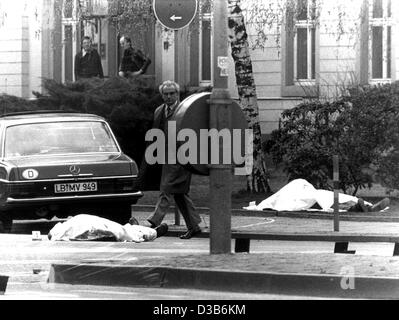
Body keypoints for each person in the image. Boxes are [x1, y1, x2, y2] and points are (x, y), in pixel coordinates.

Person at [134, 80, 202, 239]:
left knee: (166, 189)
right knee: (179, 193)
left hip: (182, 158)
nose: (169, 96)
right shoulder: (159, 110)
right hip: (165, 158)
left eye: (172, 93)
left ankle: (152, 222)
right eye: (166, 94)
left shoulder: (184, 110)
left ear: (178, 94)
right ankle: (194, 226)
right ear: (162, 95)